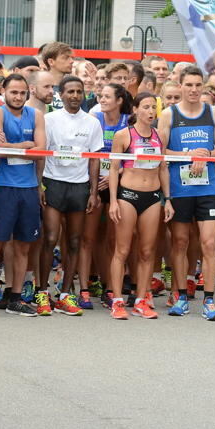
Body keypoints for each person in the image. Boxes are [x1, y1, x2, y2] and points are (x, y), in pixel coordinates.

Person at [158, 66, 215, 320]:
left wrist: (207, 154)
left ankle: (209, 300)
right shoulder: (169, 114)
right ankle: (181, 297)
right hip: (180, 188)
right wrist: (190, 155)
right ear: (181, 86)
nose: (194, 90)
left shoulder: (214, 113)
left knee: (209, 243)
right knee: (180, 242)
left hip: (207, 188)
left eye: (198, 85)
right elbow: (161, 151)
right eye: (189, 85)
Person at [0, 74, 46, 316]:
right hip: (3, 186)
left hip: (29, 188)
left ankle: (15, 297)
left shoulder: (36, 115)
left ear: (27, 93)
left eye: (22, 93)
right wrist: (25, 145)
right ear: (4, 92)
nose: (18, 97)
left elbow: (42, 151)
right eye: (13, 92)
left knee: (23, 246)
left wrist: (14, 147)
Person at [40, 76, 103, 315]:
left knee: (75, 241)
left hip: (79, 186)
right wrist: (40, 185)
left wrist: (93, 192)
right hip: (54, 183)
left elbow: (95, 159)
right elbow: (42, 154)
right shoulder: (49, 119)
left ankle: (66, 294)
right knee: (50, 238)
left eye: (79, 91)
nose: (75, 96)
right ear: (61, 94)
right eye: (70, 92)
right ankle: (42, 291)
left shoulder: (92, 122)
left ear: (84, 94)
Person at [107, 92, 171, 319]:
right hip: (128, 196)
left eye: (154, 107)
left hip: (152, 197)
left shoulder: (160, 135)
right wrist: (113, 201)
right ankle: (117, 300)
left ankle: (142, 300)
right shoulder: (124, 135)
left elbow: (163, 168)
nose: (151, 112)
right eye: (145, 107)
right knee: (122, 250)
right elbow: (114, 169)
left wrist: (168, 199)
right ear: (135, 110)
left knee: (147, 251)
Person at [80, 84, 131, 309]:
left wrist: (115, 175)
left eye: (107, 96)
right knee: (89, 238)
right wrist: (95, 185)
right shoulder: (94, 116)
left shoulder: (128, 120)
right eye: (100, 95)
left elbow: (132, 157)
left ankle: (110, 287)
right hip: (94, 181)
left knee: (112, 240)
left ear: (119, 100)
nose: (101, 99)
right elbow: (91, 152)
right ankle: (84, 288)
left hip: (117, 184)